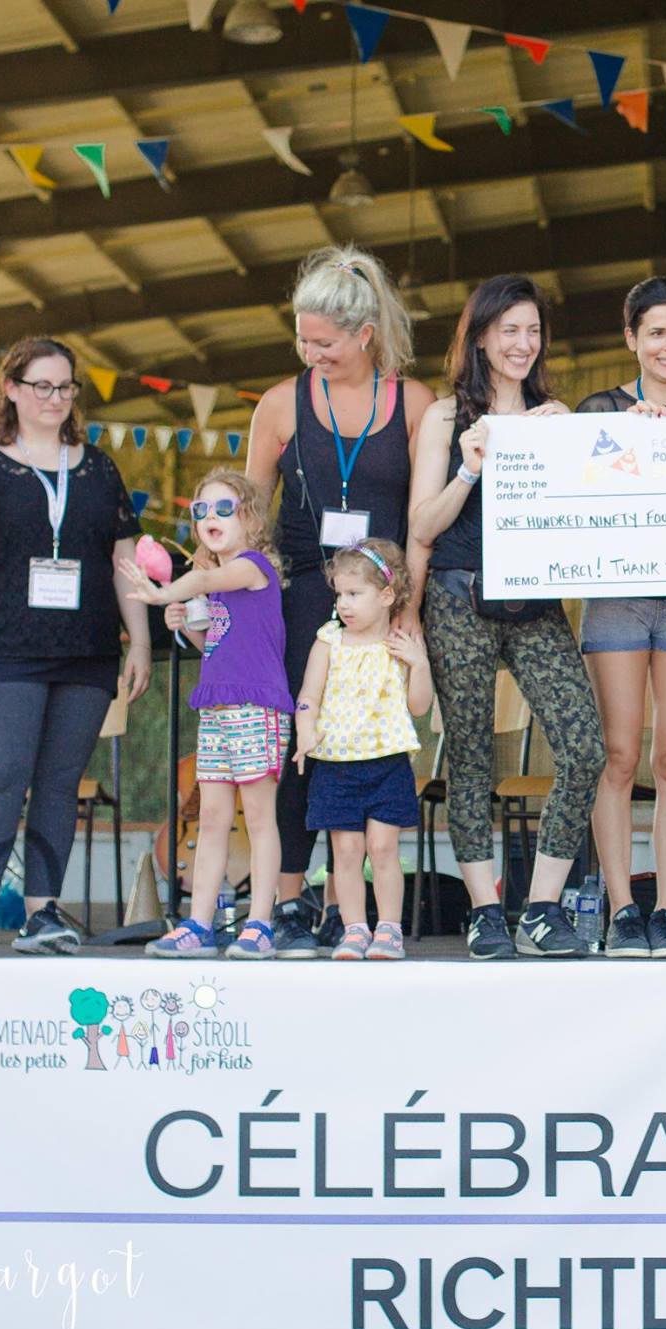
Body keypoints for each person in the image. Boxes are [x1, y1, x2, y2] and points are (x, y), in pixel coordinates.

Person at [244, 246, 435, 956]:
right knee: (304, 740)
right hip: (300, 599)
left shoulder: (414, 404)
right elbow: (252, 518)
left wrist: (407, 605)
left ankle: (353, 908)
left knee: (373, 745)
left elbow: (421, 518)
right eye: (302, 339)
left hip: (383, 605)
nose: (310, 352)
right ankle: (292, 898)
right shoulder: (278, 404)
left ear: (364, 334)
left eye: (323, 341)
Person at [0, 337, 152, 957]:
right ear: (11, 389)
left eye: (65, 388)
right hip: (1, 646)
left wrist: (137, 638)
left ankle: (42, 913)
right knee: (3, 773)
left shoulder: (98, 466)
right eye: (41, 387)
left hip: (85, 648)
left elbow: (122, 557)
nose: (55, 399)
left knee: (60, 783)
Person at [409, 275, 605, 960]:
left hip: (536, 600)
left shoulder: (554, 415)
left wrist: (571, 443)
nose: (523, 343)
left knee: (585, 745)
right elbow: (422, 524)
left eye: (533, 331)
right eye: (510, 330)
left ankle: (543, 907)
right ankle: (485, 911)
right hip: (458, 594)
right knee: (468, 756)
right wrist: (469, 468)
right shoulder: (444, 416)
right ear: (482, 335)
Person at [575, 277, 666, 959]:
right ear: (631, 339)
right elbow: (570, 489)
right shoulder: (599, 410)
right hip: (617, 595)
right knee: (619, 756)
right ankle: (623, 906)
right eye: (656, 332)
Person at [117, 471, 293, 961]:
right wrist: (185, 623)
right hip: (216, 706)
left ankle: (259, 922)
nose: (209, 517)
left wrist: (166, 592)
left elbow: (209, 577)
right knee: (212, 816)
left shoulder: (251, 566)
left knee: (258, 818)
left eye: (222, 508)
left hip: (256, 706)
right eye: (200, 510)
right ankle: (199, 922)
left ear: (251, 518)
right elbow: (215, 644)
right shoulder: (214, 587)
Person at [291, 539, 434, 961]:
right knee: (346, 852)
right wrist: (304, 730)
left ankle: (389, 928)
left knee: (384, 848)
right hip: (336, 764)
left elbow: (419, 707)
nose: (344, 604)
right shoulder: (328, 641)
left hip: (387, 763)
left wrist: (419, 664)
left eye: (355, 594)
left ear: (386, 595)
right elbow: (308, 696)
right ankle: (354, 929)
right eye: (339, 594)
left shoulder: (399, 645)